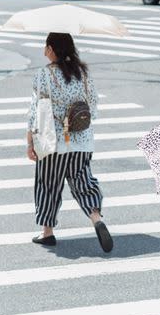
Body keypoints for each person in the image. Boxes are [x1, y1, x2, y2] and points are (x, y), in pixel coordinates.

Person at [26, 32, 112, 253]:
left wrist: (30, 142)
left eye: (46, 46)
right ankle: (96, 218)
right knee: (83, 182)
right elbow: (92, 105)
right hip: (80, 141)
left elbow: (35, 112)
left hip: (53, 141)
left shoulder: (43, 75)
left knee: (48, 185)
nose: (44, 50)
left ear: (53, 50)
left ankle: (48, 233)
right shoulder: (82, 73)